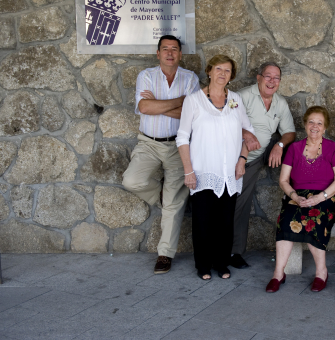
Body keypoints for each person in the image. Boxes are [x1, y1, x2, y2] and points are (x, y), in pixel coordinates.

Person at [122, 35, 199, 275]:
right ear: (158, 54)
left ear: (180, 54)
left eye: (174, 49)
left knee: (174, 205)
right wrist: (178, 103)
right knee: (131, 180)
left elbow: (193, 114)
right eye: (165, 49)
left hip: (178, 146)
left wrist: (158, 105)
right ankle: (164, 199)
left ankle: (165, 254)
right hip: (148, 143)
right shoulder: (146, 76)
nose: (169, 53)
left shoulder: (190, 78)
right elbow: (144, 108)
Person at [176, 55, 255, 281]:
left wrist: (242, 160)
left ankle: (221, 263)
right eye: (218, 68)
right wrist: (188, 171)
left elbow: (247, 133)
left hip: (230, 173)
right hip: (202, 171)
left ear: (231, 76)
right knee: (202, 222)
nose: (222, 73)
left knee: (225, 223)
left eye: (227, 70)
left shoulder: (236, 100)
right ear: (209, 71)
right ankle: (203, 265)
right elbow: (182, 137)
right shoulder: (194, 100)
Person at [266, 106, 335, 293]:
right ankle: (278, 273)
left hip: (327, 195)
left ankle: (321, 272)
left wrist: (321, 196)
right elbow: (284, 180)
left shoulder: (333, 148)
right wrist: (294, 195)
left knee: (313, 218)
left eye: (319, 123)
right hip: (298, 195)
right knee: (286, 220)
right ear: (305, 125)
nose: (315, 126)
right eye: (311, 122)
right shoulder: (294, 148)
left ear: (325, 127)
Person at [230, 62, 296, 270]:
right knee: (234, 204)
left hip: (258, 156)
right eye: (268, 76)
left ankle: (235, 251)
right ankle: (226, 251)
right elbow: (226, 122)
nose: (271, 81)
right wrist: (246, 135)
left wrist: (279, 144)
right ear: (258, 78)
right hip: (234, 157)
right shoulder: (242, 97)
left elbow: (290, 132)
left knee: (242, 203)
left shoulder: (279, 103)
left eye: (276, 78)